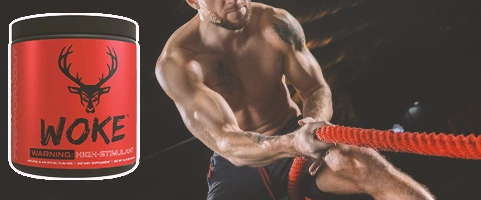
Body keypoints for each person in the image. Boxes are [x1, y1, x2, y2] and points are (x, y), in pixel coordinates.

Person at [154, 0, 435, 199]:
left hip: (294, 129)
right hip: (241, 161)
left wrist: (311, 123)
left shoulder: (275, 23)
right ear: (193, 1)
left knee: (366, 164)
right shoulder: (178, 62)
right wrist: (294, 143)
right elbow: (228, 142)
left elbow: (315, 88)